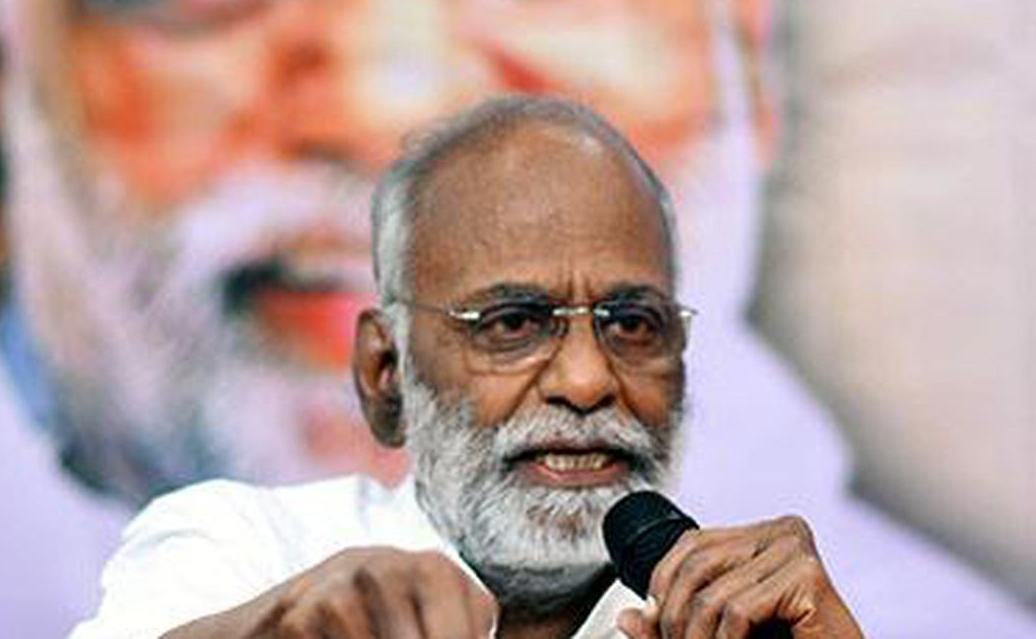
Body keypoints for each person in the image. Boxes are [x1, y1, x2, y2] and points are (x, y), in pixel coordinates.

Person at [72, 96, 865, 639]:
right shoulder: (245, 551)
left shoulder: (741, 621)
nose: (587, 380)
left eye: (632, 324)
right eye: (513, 323)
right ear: (387, 374)